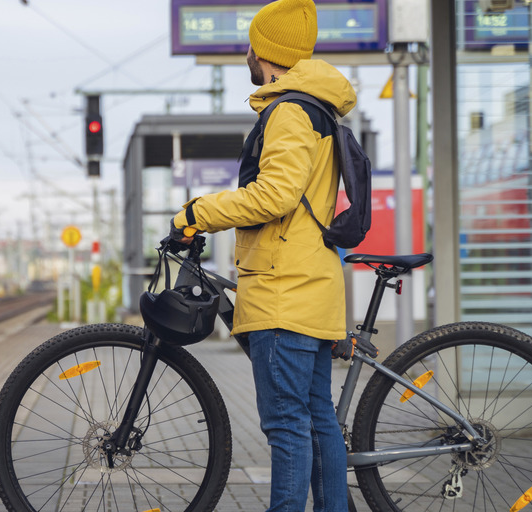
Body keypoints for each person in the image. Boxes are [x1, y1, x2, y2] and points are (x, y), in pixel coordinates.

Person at [169, 0, 357, 510]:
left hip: (284, 291)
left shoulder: (291, 111)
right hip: (309, 287)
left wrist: (196, 213)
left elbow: (276, 195)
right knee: (318, 422)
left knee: (288, 427)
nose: (247, 53)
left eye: (252, 44)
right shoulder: (316, 107)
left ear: (265, 52)